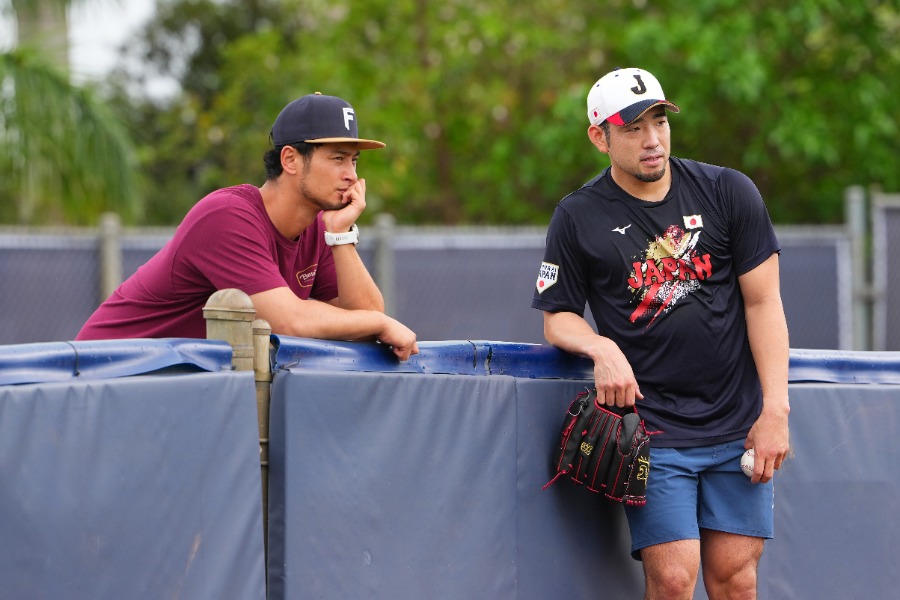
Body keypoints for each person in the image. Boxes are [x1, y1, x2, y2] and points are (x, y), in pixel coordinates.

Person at [532, 67, 790, 599]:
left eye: (658, 122)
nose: (652, 140)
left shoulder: (727, 191)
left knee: (736, 579)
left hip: (736, 423)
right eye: (632, 128)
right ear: (598, 136)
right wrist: (599, 345)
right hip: (656, 431)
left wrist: (776, 411)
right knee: (673, 581)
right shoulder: (578, 215)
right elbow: (557, 315)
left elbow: (764, 302)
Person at [77, 93, 419, 361]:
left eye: (354, 161)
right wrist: (378, 323)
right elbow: (290, 322)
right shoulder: (227, 216)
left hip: (172, 388)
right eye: (337, 158)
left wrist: (341, 235)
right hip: (106, 379)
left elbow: (365, 318)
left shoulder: (319, 228)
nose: (351, 175)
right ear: (290, 160)